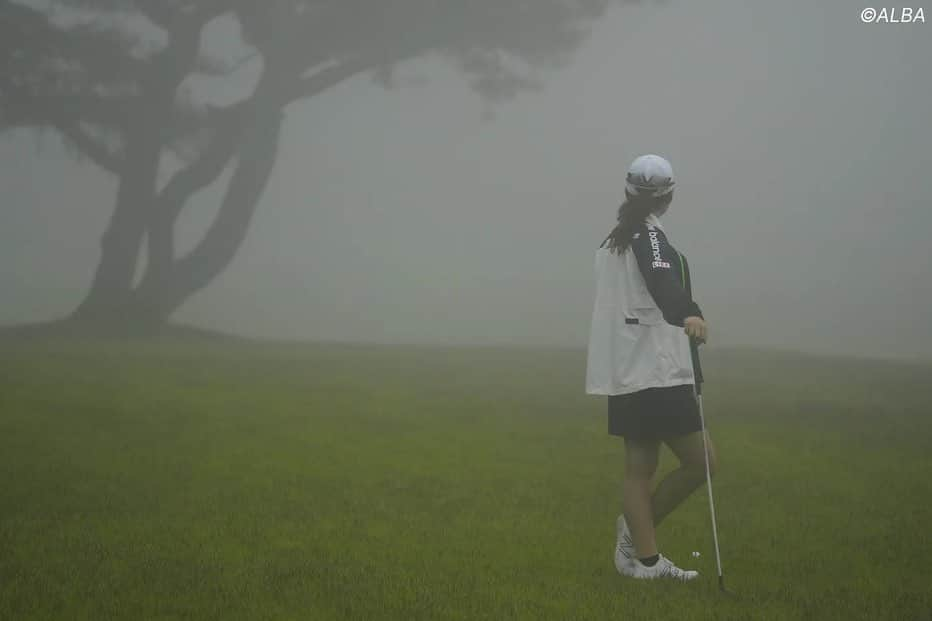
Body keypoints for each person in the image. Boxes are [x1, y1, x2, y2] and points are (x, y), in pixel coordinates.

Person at [585, 154, 717, 582]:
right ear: (669, 197)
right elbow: (662, 278)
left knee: (639, 467)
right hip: (656, 369)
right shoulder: (648, 237)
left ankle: (643, 558)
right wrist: (689, 313)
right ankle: (637, 539)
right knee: (702, 463)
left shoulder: (615, 240)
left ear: (628, 193)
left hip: (626, 370)